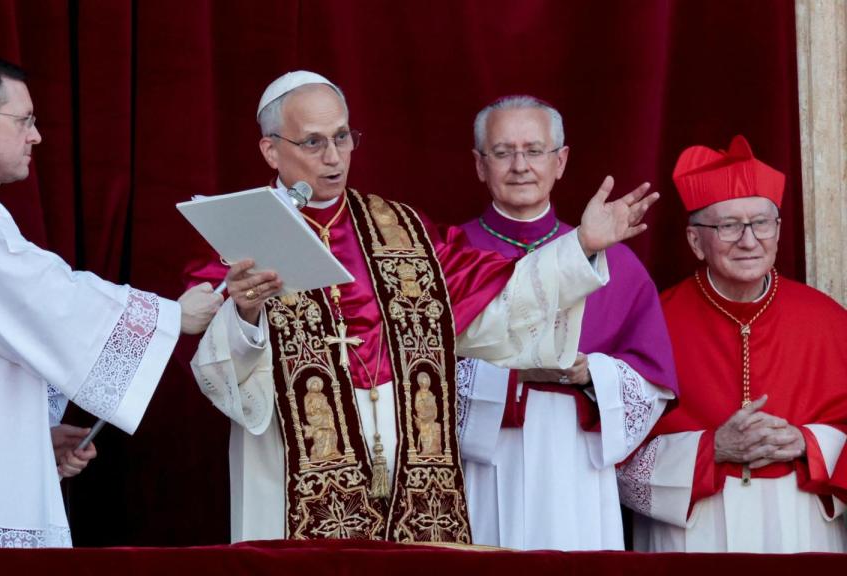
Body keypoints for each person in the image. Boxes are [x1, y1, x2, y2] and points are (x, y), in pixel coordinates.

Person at [186, 71, 659, 543]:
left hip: (410, 482)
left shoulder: (403, 231)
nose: (333, 158)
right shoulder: (242, 236)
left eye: (342, 137)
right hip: (293, 476)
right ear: (271, 149)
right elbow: (220, 370)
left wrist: (580, 246)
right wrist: (245, 314)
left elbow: (494, 306)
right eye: (312, 142)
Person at [0, 55, 222, 548]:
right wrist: (172, 316)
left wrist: (35, 436)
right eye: (25, 119)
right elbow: (47, 299)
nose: (36, 136)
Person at [454, 95, 678, 550]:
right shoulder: (449, 256)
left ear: (560, 161)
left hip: (573, 462)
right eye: (503, 152)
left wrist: (591, 372)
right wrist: (506, 376)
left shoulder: (618, 265)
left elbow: (653, 381)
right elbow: (414, 369)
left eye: (534, 150)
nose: (520, 165)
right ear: (480, 165)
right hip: (479, 461)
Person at [617, 135, 847, 552]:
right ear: (694, 241)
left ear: (777, 231)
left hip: (801, 527)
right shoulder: (651, 323)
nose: (748, 240)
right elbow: (610, 457)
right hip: (691, 532)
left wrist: (807, 443)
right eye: (728, 225)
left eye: (761, 222)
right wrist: (712, 448)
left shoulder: (829, 321)